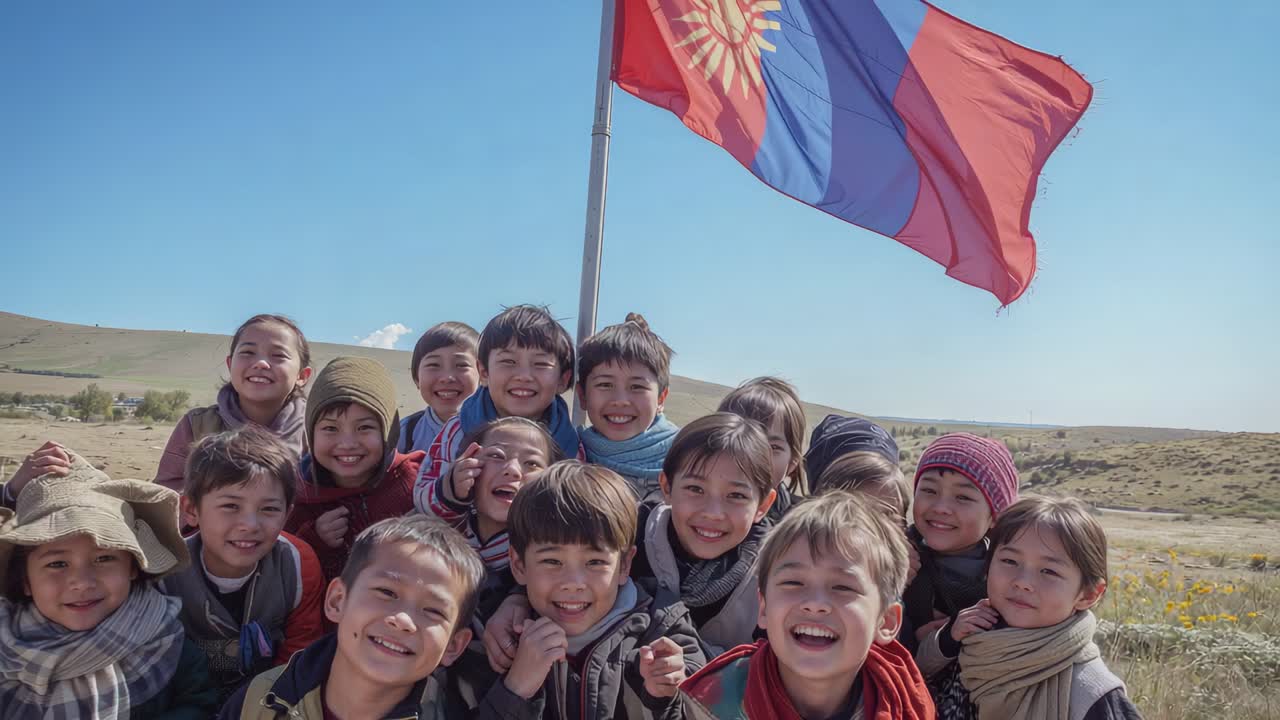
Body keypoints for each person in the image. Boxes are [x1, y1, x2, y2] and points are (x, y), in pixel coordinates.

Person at [219, 515, 525, 720]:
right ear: (338, 600)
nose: (402, 619)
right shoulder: (260, 701)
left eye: (433, 610)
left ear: (454, 646)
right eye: (386, 592)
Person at [0, 449, 219, 718]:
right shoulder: (5, 642)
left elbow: (197, 704)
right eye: (57, 564)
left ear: (133, 568)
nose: (81, 582)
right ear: (25, 581)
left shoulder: (165, 639)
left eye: (103, 558)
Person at [677, 492, 934, 720]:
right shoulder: (710, 704)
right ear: (764, 608)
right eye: (793, 582)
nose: (815, 604)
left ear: (886, 622)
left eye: (843, 587)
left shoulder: (904, 701)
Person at [496, 461, 706, 719]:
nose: (574, 582)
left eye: (595, 562)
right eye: (552, 561)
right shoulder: (500, 641)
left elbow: (703, 708)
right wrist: (515, 689)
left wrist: (664, 698)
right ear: (518, 565)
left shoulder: (664, 630)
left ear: (624, 565)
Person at [916, 496, 1141, 720]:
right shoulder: (973, 631)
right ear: (987, 567)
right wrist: (947, 638)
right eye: (1010, 561)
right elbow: (920, 674)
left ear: (1089, 594)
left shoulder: (1090, 692)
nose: (1023, 581)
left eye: (1049, 571)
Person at [162, 426, 325, 698]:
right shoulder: (164, 572)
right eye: (230, 506)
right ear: (191, 510)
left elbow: (298, 654)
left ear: (287, 514)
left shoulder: (297, 563)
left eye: (269, 509)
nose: (250, 525)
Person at [416, 305, 581, 495]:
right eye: (508, 362)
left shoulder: (571, 446)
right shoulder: (458, 431)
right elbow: (422, 492)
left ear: (563, 380)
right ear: (484, 372)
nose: (524, 375)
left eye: (541, 364)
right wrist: (451, 489)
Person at [285, 356, 422, 582]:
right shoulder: (296, 498)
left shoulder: (417, 483)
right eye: (330, 428)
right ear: (311, 434)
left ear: (389, 431)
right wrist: (313, 539)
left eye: (364, 427)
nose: (347, 443)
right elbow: (285, 575)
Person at [156, 314, 312, 491]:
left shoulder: (315, 430)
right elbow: (167, 492)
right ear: (230, 365)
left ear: (302, 376)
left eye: (278, 355)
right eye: (248, 352)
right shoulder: (197, 425)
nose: (261, 363)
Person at [901, 433, 1019, 651]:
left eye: (963, 497)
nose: (940, 507)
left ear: (995, 516)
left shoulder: (1011, 573)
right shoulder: (893, 556)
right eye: (929, 490)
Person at [577, 313, 680, 496]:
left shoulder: (688, 461)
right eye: (605, 385)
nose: (620, 400)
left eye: (637, 387)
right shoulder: (569, 455)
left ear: (661, 399)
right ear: (582, 395)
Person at [717, 377, 806, 518]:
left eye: (773, 447)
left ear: (792, 463)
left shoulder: (799, 531)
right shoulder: (685, 503)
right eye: (739, 439)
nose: (753, 456)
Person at [400, 321, 481, 454]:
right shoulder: (405, 433)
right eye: (434, 365)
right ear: (416, 378)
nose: (447, 377)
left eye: (461, 365)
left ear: (483, 375)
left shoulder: (499, 431)